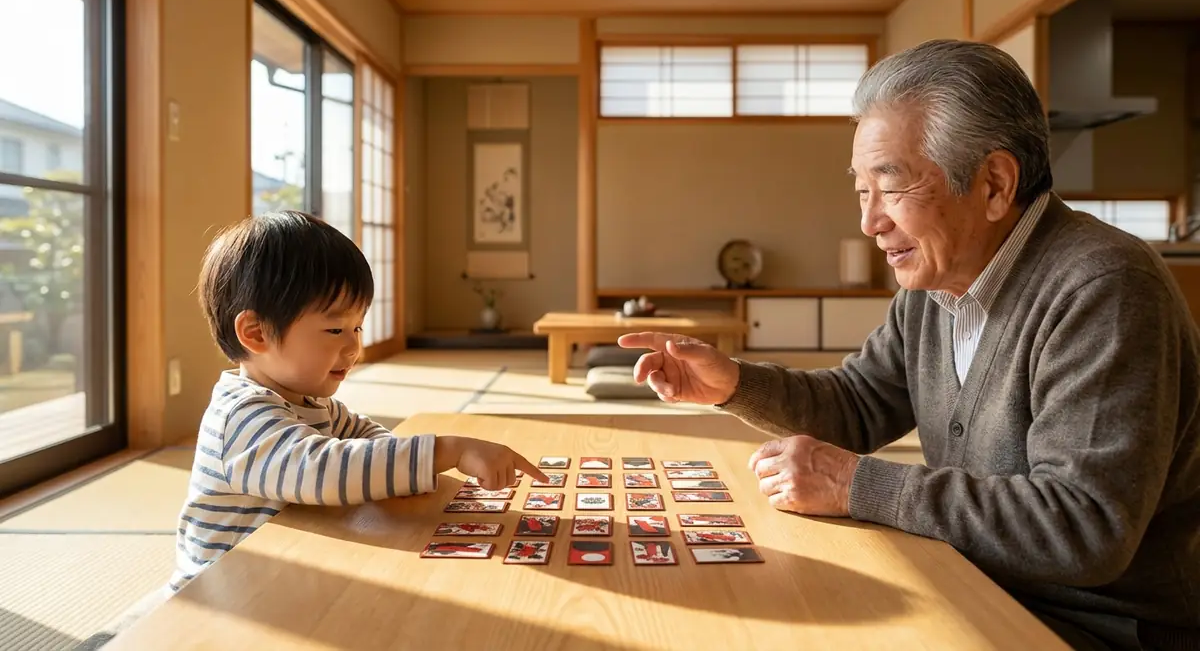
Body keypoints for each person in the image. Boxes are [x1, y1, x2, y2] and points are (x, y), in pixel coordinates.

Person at [618, 39, 1199, 651]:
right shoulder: (938, 284)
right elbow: (857, 405)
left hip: (1095, 627)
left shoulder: (1102, 287)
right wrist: (735, 383)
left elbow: (1082, 527)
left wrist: (853, 484)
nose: (870, 222)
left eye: (890, 188)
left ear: (995, 185)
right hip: (974, 582)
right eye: (861, 190)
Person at [170, 210, 548, 593]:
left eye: (357, 327)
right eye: (335, 329)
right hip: (223, 598)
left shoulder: (309, 402)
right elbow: (323, 471)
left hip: (285, 575)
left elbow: (366, 437)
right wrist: (445, 451)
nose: (354, 346)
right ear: (256, 333)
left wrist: (408, 470)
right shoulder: (241, 416)